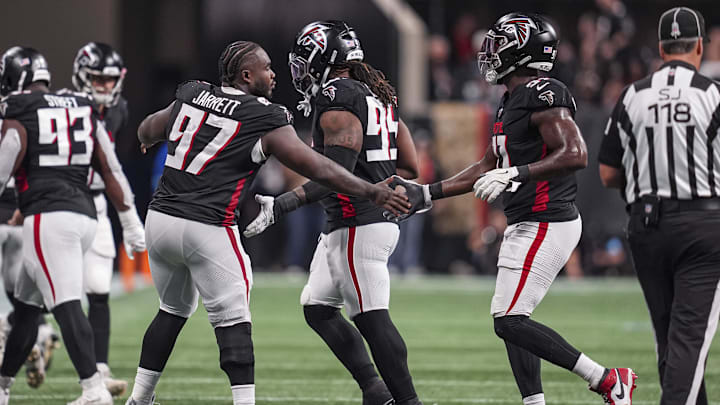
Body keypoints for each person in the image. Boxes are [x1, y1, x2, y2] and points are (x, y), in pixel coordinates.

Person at [123, 40, 408, 405]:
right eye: (266, 68)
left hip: (160, 220)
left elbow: (150, 127)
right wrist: (370, 191)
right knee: (234, 322)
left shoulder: (192, 94)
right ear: (246, 76)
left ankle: (140, 399)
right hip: (207, 226)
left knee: (171, 311)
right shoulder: (265, 115)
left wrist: (146, 138)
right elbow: (319, 167)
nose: (273, 75)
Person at [391, 13, 637, 405]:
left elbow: (575, 153)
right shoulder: (511, 100)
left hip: (548, 219)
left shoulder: (544, 92)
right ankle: (535, 401)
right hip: (528, 220)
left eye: (499, 44)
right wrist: (427, 193)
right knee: (511, 318)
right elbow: (487, 165)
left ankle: (607, 379)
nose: (489, 53)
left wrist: (517, 174)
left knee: (509, 319)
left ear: (522, 51)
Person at [244, 20, 421, 405]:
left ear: (322, 59)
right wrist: (380, 183)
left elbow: (333, 174)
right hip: (354, 223)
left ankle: (408, 402)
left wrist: (284, 203)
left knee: (372, 318)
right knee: (318, 307)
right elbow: (409, 165)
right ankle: (376, 390)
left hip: (357, 225)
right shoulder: (375, 94)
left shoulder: (337, 96)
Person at [0, 46, 146, 405]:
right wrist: (130, 222)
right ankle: (2, 384)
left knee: (66, 306)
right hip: (84, 214)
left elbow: (5, 164)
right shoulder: (81, 106)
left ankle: (94, 390)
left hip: (48, 216)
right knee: (27, 311)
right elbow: (110, 167)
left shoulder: (18, 110)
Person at [599, 7, 719, 405]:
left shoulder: (633, 95)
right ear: (699, 46)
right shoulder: (711, 93)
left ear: (662, 48)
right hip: (703, 225)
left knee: (670, 337)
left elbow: (606, 173)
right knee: (689, 338)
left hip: (646, 226)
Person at [70, 41, 130, 395]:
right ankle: (24, 333)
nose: (104, 86)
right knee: (54, 292)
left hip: (97, 205)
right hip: (62, 201)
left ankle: (99, 369)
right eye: (97, 78)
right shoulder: (66, 106)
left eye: (109, 80)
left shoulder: (119, 109)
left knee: (99, 289)